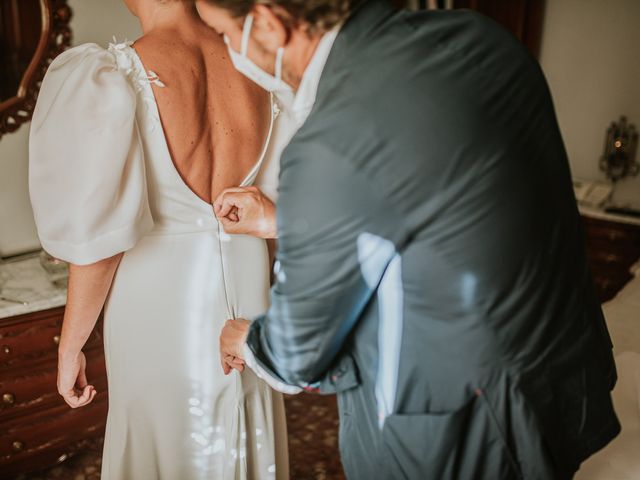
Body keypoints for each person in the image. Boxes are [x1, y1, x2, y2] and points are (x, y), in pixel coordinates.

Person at [199, 0, 621, 478]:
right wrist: (288, 221)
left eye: (223, 34)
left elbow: (299, 352)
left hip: (459, 429)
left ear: (269, 23)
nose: (229, 51)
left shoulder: (332, 137)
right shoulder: (481, 38)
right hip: (556, 381)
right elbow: (449, 201)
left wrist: (249, 341)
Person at [28, 1, 291, 478]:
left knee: (165, 434)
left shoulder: (110, 75)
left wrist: (71, 346)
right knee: (246, 412)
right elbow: (277, 199)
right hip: (250, 271)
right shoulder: (258, 62)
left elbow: (98, 242)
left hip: (159, 292)